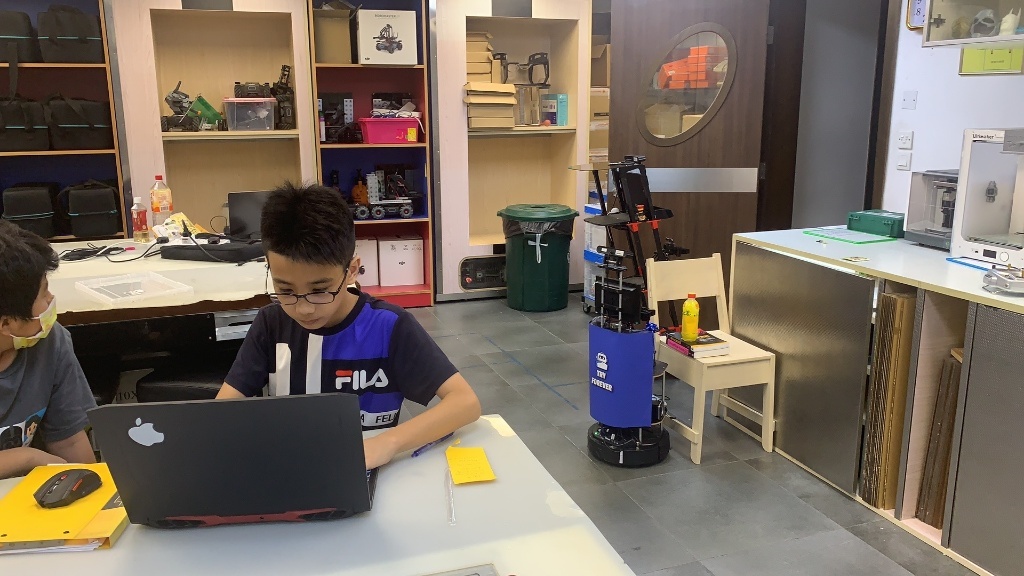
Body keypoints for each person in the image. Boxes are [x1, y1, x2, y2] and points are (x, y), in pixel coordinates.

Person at [217, 183, 481, 469]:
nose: (304, 308)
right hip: (290, 465)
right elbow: (221, 414)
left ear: (352, 270)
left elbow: (465, 402)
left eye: (320, 290)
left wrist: (388, 442)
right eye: (286, 290)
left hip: (361, 469)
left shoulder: (388, 327)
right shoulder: (271, 324)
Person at [0, 221, 97, 478]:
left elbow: (69, 441)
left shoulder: (49, 341)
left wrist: (97, 489)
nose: (51, 300)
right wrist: (27, 457)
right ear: (6, 324)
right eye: (43, 294)